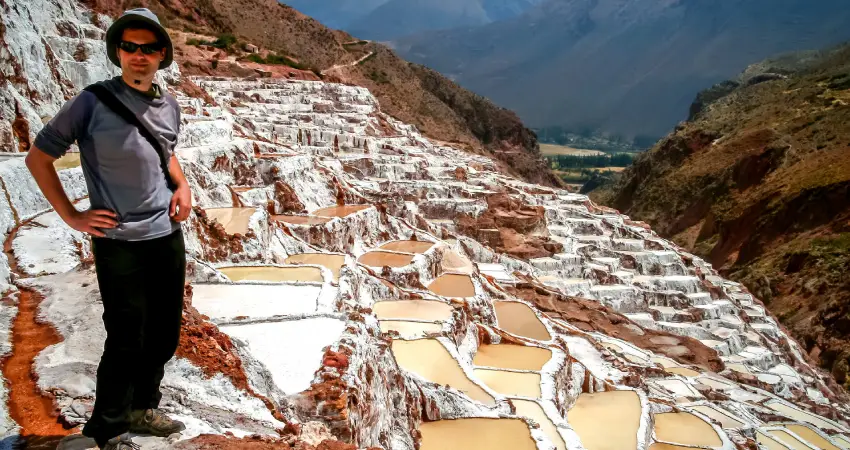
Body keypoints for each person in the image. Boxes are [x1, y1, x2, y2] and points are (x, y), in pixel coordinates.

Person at [26, 8, 191, 450]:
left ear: (162, 55)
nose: (139, 56)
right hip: (119, 241)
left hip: (165, 235)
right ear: (117, 52)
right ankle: (107, 428)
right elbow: (38, 158)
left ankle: (142, 408)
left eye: (149, 48)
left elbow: (166, 152)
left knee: (163, 332)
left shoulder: (168, 104)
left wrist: (183, 186)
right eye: (130, 47)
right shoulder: (92, 101)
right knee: (125, 335)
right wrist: (72, 216)